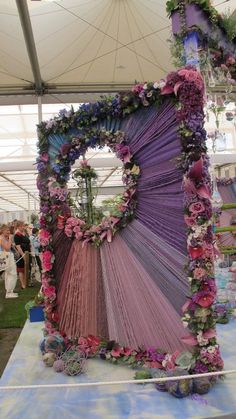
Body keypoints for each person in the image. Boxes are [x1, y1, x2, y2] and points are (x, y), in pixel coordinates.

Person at [0, 224, 18, 298]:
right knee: (12, 274)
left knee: (9, 274)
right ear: (2, 231)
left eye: (8, 230)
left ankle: (10, 291)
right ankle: (9, 292)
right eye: (7, 230)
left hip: (8, 256)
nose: (8, 231)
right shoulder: (1, 238)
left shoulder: (4, 238)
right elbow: (7, 248)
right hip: (6, 256)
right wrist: (10, 239)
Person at [14, 221, 31, 289]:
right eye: (21, 226)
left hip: (27, 253)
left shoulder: (24, 234)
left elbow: (28, 242)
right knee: (21, 269)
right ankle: (22, 284)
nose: (23, 227)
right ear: (18, 227)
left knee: (26, 269)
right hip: (22, 254)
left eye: (23, 226)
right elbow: (18, 246)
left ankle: (26, 282)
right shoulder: (16, 235)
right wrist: (23, 255)